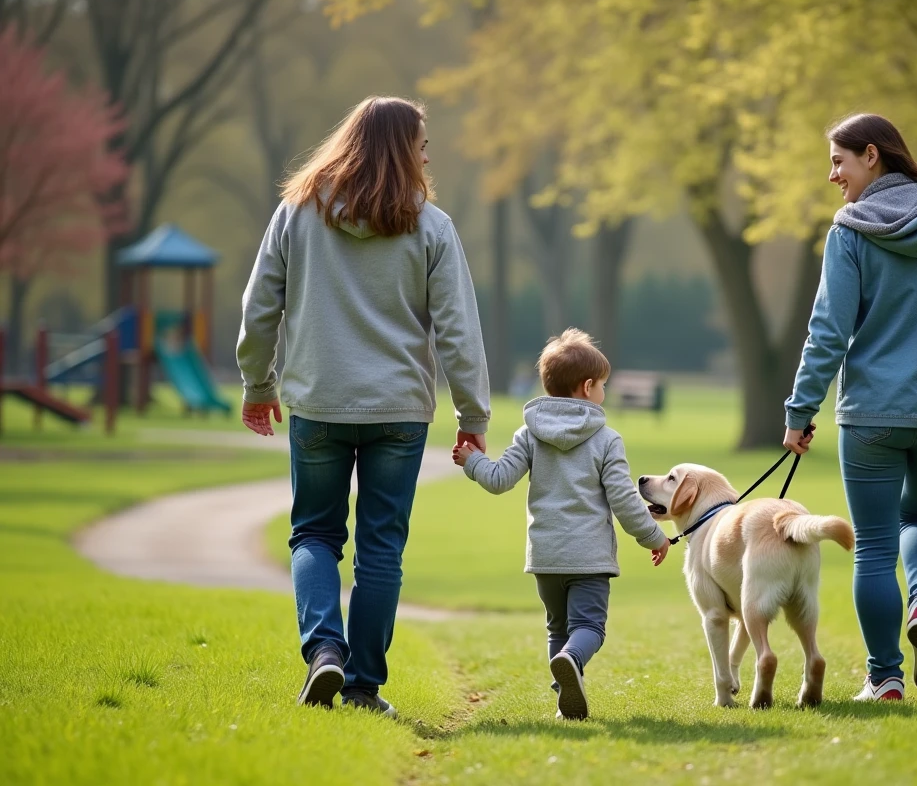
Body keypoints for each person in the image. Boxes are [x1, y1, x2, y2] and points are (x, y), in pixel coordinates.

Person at [237, 96, 490, 717]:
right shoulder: (431, 226)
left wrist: (257, 383)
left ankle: (325, 651)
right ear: (400, 149)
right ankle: (361, 686)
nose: (427, 154)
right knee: (382, 550)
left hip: (319, 403)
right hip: (399, 412)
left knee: (315, 536)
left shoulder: (297, 212)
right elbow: (459, 331)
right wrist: (472, 416)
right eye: (421, 144)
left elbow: (258, 307)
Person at [782, 113, 917, 702]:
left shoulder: (849, 233)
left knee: (874, 548)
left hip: (873, 417)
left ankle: (885, 678)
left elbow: (828, 330)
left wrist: (800, 411)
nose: (832, 176)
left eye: (838, 162)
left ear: (871, 156)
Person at [452, 329, 671, 720]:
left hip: (546, 557)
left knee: (558, 628)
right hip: (588, 558)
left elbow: (500, 478)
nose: (604, 391)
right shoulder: (606, 439)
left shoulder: (529, 433)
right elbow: (623, 500)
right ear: (588, 387)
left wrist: (472, 462)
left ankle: (566, 701)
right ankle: (571, 660)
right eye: (603, 385)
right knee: (589, 628)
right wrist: (654, 535)